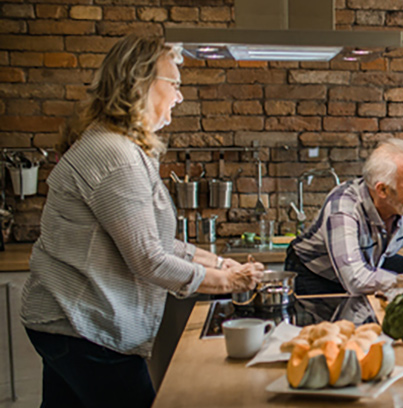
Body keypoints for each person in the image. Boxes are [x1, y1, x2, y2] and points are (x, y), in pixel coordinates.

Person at [20, 35, 262, 407]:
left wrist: (218, 263)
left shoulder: (119, 146)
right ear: (141, 82)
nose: (180, 96)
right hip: (84, 330)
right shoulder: (116, 155)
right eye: (175, 83)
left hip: (65, 326)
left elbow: (156, 241)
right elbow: (148, 257)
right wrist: (225, 281)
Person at [285, 138, 403, 295]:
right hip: (316, 273)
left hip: (369, 263)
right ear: (382, 190)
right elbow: (356, 280)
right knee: (347, 319)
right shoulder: (343, 207)